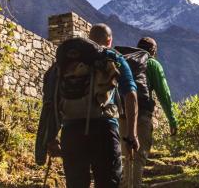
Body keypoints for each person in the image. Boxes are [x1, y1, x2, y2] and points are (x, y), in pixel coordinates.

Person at [36, 23, 139, 188]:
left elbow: (50, 100)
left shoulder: (65, 63)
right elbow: (131, 94)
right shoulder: (111, 57)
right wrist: (132, 134)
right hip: (104, 129)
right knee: (108, 183)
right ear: (109, 40)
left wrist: (50, 138)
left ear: (89, 39)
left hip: (71, 131)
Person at [119, 37, 178, 188]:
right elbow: (164, 94)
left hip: (121, 116)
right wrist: (172, 120)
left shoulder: (124, 61)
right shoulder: (152, 64)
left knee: (125, 158)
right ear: (153, 50)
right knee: (138, 158)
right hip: (142, 115)